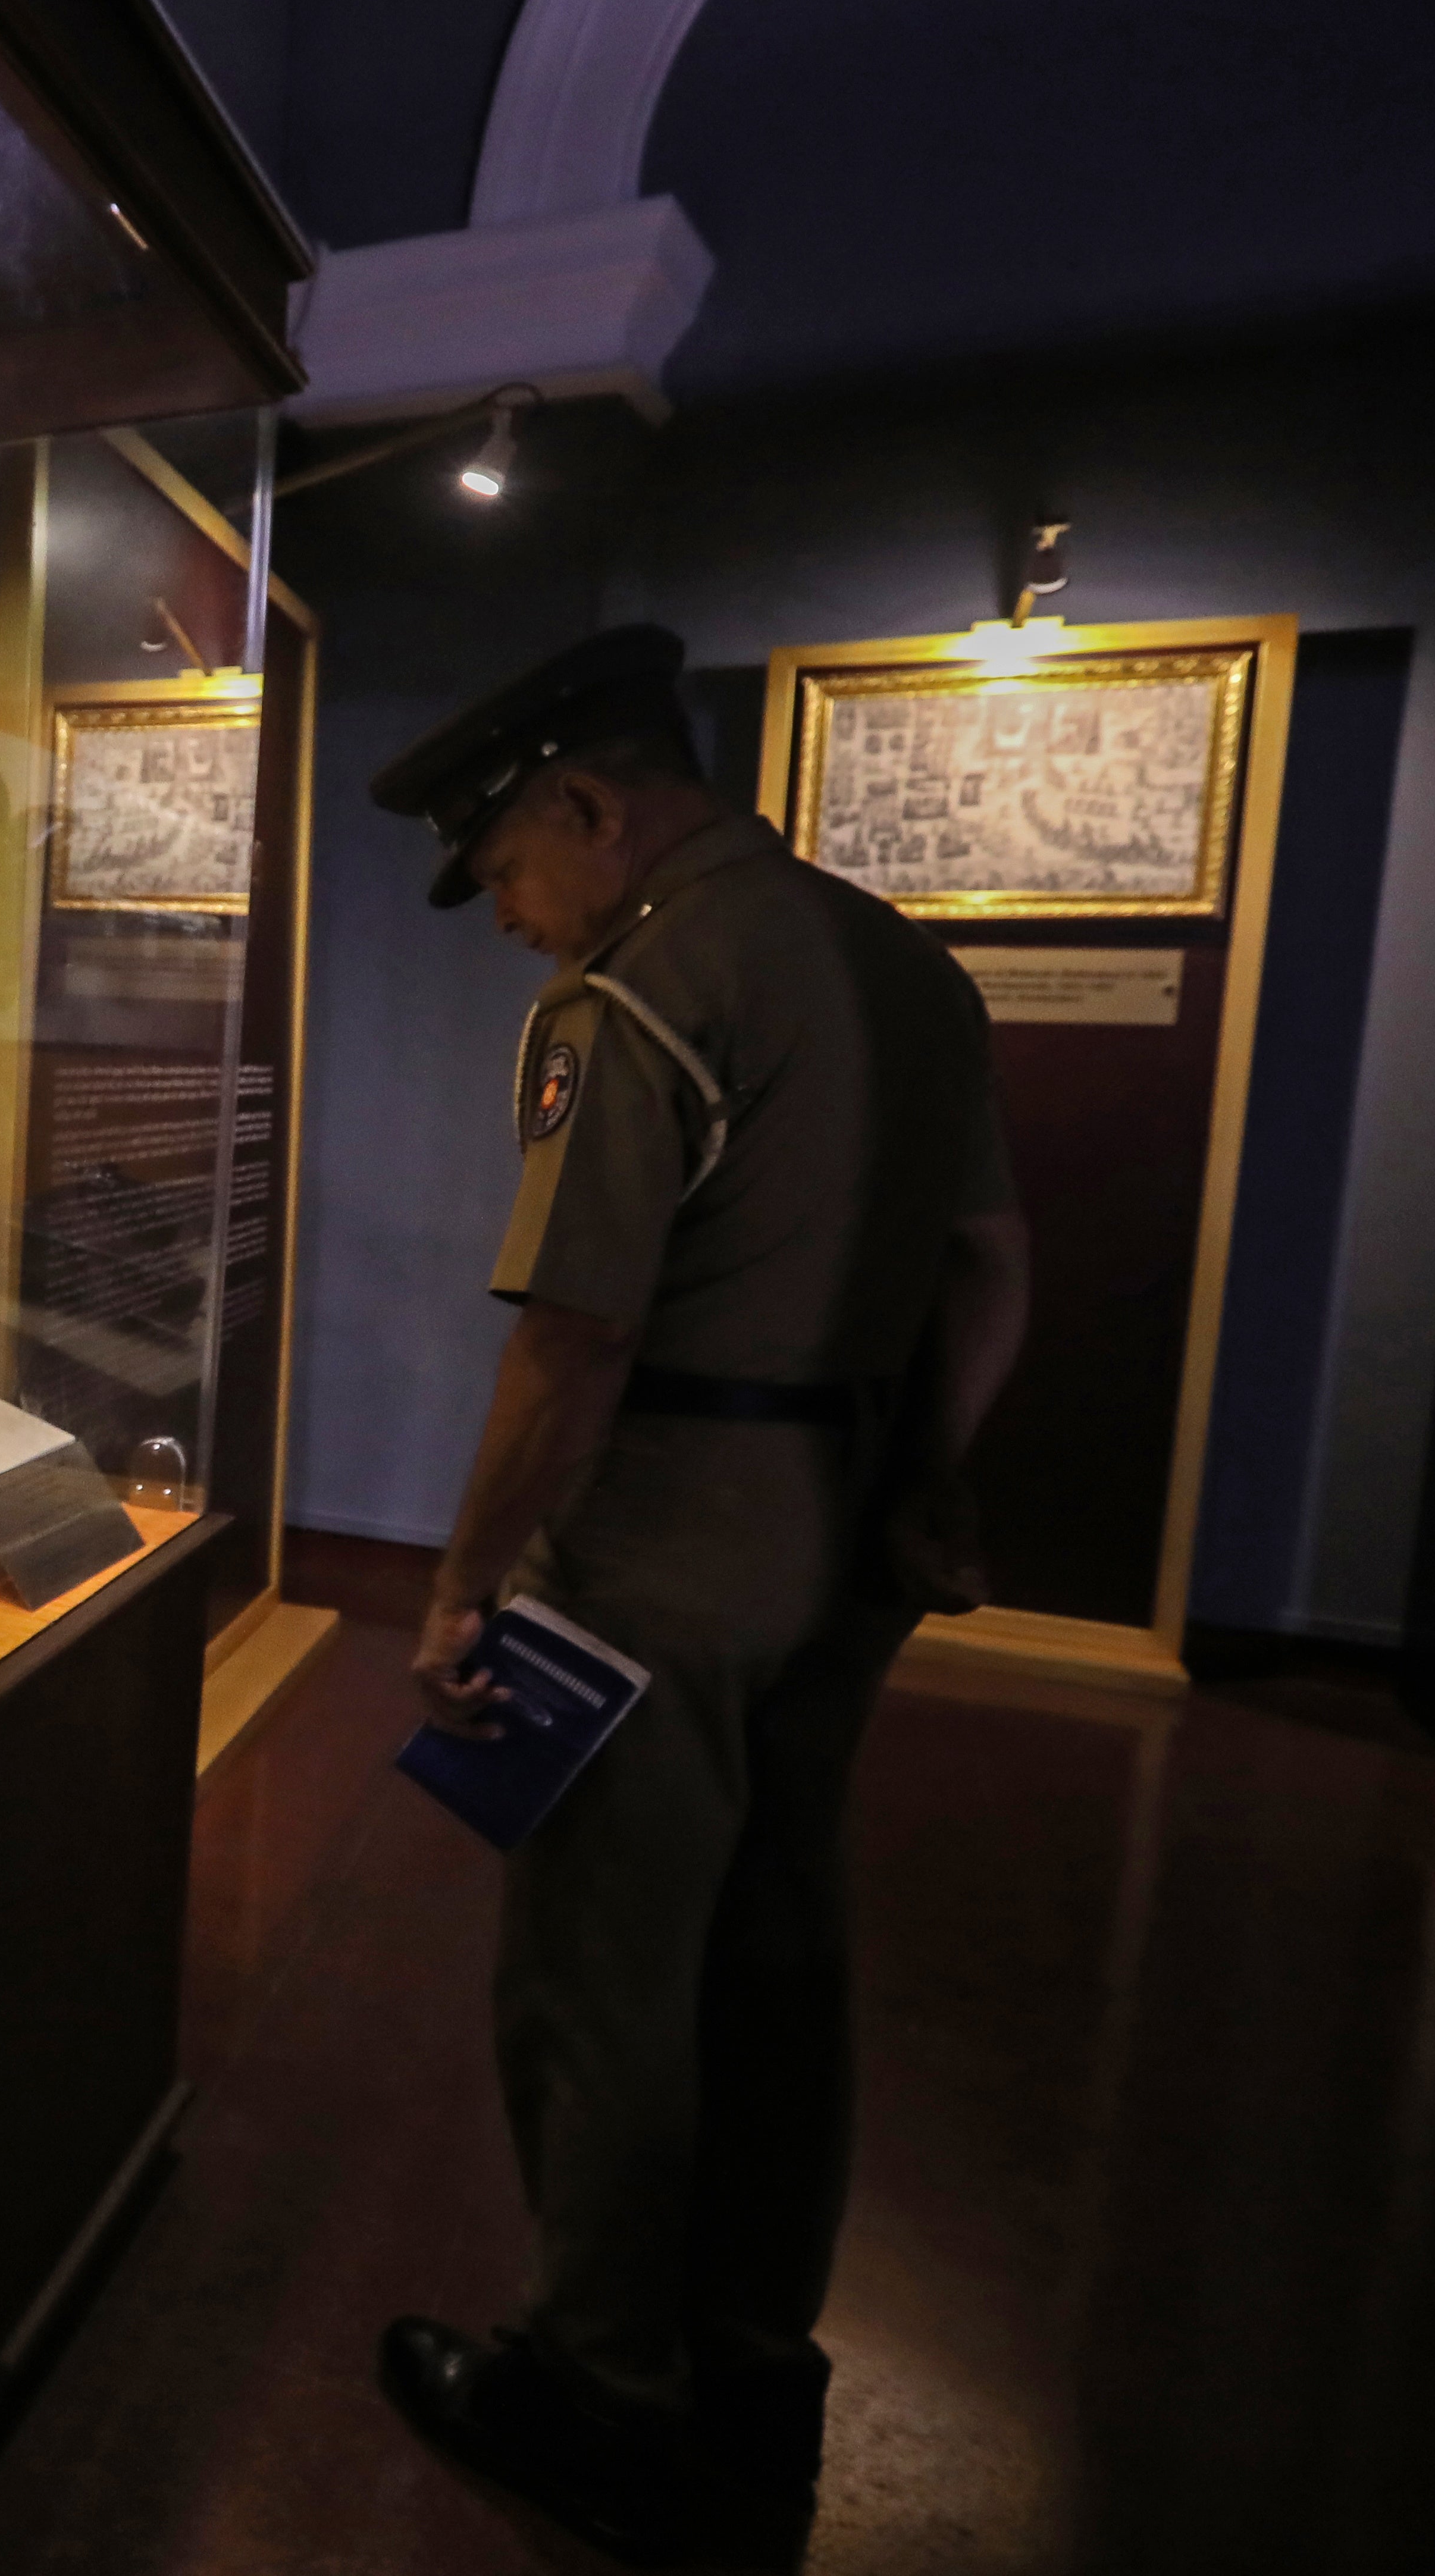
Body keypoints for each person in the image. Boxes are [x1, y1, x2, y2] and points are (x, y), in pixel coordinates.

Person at [362, 626, 1032, 2563]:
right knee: (784, 1955)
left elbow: (574, 1347)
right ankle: (754, 2372)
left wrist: (463, 1590)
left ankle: (596, 2397)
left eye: (504, 871)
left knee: (603, 1983)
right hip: (851, 1529)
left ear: (589, 803)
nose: (507, 921)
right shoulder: (909, 969)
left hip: (665, 1536)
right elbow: (993, 1274)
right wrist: (913, 1473)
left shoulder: (634, 996)